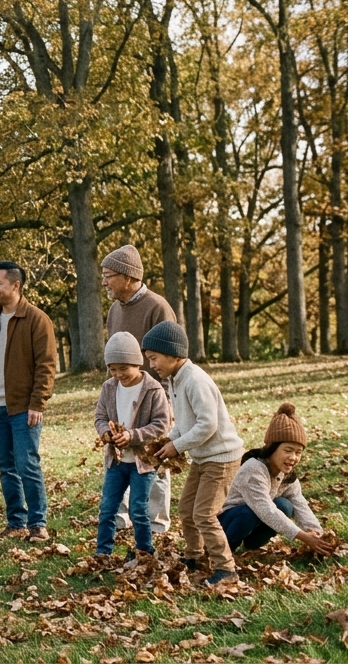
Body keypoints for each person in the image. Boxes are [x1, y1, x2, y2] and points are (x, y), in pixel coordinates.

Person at [145, 321, 245, 587]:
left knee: (204, 514)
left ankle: (226, 569)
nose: (152, 365)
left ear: (174, 354)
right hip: (202, 457)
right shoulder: (174, 380)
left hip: (221, 458)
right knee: (186, 509)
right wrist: (169, 441)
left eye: (154, 358)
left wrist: (177, 446)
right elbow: (184, 423)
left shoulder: (195, 380)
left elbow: (207, 424)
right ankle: (194, 556)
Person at [0, 261, 58, 543]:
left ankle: (38, 523)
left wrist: (38, 403)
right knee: (6, 469)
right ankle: (16, 522)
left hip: (24, 409)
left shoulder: (36, 319)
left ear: (15, 285)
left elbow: (46, 366)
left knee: (27, 465)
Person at [101, 244, 178, 535]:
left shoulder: (157, 307)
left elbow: (172, 357)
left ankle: (156, 523)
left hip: (153, 395)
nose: (104, 282)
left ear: (128, 277)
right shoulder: (114, 310)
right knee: (118, 454)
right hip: (121, 394)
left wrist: (166, 400)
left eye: (109, 276)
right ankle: (121, 519)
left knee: (153, 458)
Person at [93, 332, 171, 560]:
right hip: (116, 461)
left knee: (138, 508)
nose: (118, 374)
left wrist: (133, 436)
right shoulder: (109, 388)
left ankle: (144, 550)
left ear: (137, 363)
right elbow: (100, 417)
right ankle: (103, 551)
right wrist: (106, 433)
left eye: (123, 368)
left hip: (143, 462)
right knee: (108, 507)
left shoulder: (153, 389)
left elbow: (162, 424)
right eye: (113, 369)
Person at [219, 403, 330, 555]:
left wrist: (316, 533)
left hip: (254, 519)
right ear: (272, 448)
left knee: (285, 505)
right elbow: (265, 510)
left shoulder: (286, 473)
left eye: (298, 452)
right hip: (229, 520)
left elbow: (299, 503)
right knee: (248, 513)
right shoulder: (253, 469)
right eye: (288, 450)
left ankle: (252, 545)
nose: (293, 457)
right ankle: (224, 551)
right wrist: (303, 537)